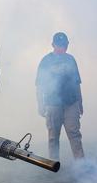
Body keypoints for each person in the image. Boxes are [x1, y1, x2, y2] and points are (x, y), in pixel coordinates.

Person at [36, 32, 84, 160]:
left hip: (71, 104)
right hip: (52, 104)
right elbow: (39, 85)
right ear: (53, 45)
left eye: (64, 45)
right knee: (53, 137)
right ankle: (53, 164)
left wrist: (80, 103)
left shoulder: (71, 59)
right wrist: (40, 104)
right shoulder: (46, 61)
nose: (62, 48)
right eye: (59, 45)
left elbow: (77, 83)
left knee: (74, 134)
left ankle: (82, 165)